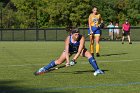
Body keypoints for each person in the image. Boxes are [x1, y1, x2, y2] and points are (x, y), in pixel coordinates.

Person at [34, 28, 104, 76]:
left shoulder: (81, 38)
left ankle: (97, 70)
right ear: (72, 34)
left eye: (78, 34)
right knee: (59, 62)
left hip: (79, 50)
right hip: (70, 50)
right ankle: (44, 69)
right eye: (75, 34)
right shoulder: (68, 39)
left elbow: (79, 51)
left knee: (89, 55)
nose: (77, 36)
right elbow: (67, 51)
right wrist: (67, 62)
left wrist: (73, 60)